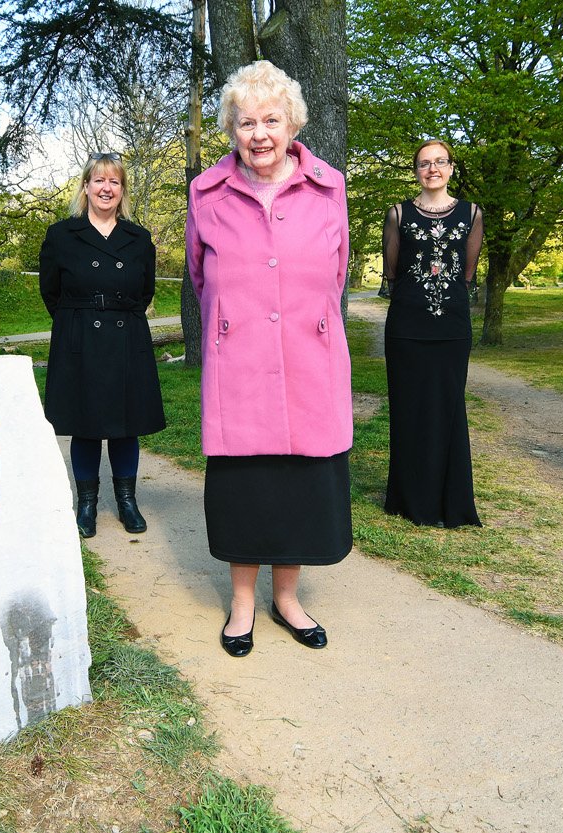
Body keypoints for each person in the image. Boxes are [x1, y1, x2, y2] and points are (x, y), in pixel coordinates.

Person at [186, 60, 352, 657]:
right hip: (241, 365)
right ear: (232, 129)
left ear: (293, 125)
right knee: (245, 488)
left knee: (300, 488)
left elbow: (336, 275)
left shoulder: (330, 189)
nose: (260, 134)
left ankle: (287, 599)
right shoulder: (206, 195)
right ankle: (241, 604)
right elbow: (202, 279)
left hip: (310, 360)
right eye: (247, 122)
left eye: (271, 120)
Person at [40, 153, 166, 537]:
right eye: (98, 181)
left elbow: (145, 290)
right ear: (85, 187)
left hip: (127, 337)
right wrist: (77, 324)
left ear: (122, 190)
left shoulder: (139, 238)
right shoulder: (62, 235)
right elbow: (51, 292)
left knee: (127, 425)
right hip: (80, 338)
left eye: (114, 182)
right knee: (86, 425)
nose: (106, 188)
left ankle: (127, 501)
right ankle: (88, 504)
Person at [379, 139, 483, 528]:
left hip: (452, 328)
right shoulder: (398, 214)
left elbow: (467, 274)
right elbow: (392, 274)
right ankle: (410, 500)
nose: (433, 169)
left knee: (449, 407)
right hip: (407, 327)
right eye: (425, 163)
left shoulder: (472, 213)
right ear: (416, 171)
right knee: (408, 408)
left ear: (451, 168)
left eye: (440, 162)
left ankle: (452, 502)